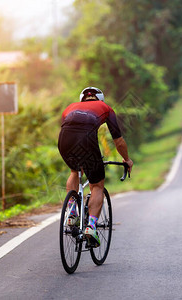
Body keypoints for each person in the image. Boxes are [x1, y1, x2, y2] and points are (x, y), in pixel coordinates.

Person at [58, 86, 133, 247]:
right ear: (100, 100)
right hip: (86, 140)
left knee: (74, 170)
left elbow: (69, 129)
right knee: (97, 185)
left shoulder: (69, 108)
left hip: (64, 140)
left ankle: (71, 212)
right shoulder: (105, 108)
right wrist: (126, 159)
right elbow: (118, 140)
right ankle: (91, 227)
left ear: (82, 99)